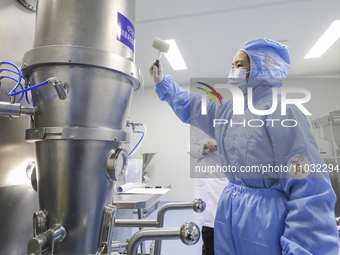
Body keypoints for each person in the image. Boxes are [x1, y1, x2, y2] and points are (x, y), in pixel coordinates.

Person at [149, 38, 339, 255]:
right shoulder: (229, 111)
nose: (233, 70)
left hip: (266, 219)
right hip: (229, 213)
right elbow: (193, 107)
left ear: (261, 68)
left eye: (240, 65)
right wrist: (164, 83)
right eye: (232, 66)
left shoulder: (282, 111)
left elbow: (309, 189)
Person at [186, 93, 229, 255]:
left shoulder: (227, 124)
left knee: (223, 226)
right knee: (207, 227)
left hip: (222, 180)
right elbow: (190, 147)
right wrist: (203, 149)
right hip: (204, 181)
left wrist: (217, 148)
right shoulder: (198, 125)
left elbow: (233, 147)